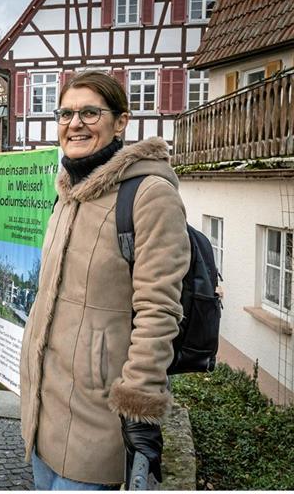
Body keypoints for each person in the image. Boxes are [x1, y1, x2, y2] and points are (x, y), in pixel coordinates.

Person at [19, 71, 190, 490]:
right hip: (46, 407)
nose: (74, 123)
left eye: (90, 112)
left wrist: (139, 407)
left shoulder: (149, 194)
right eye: (65, 113)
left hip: (99, 415)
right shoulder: (66, 190)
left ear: (121, 122)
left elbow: (159, 309)